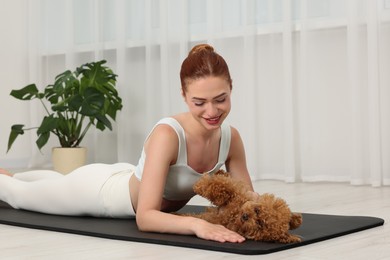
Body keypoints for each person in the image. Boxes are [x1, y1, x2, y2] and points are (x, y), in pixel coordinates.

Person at [0, 44, 255, 243]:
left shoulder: (231, 139)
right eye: (199, 102)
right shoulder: (168, 134)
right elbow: (145, 217)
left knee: (45, 184)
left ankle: (12, 175)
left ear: (231, 89)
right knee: (18, 195)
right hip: (99, 193)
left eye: (220, 99)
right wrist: (197, 224)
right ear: (184, 96)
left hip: (123, 175)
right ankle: (10, 179)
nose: (211, 111)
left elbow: (248, 200)